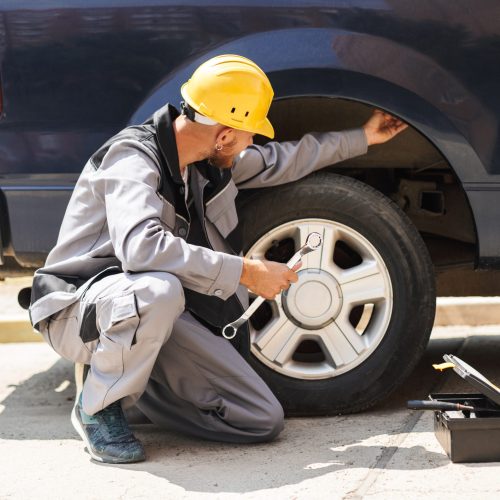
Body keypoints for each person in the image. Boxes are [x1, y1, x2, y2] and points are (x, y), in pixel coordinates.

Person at [29, 54, 407, 464]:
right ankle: (98, 408)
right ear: (224, 135)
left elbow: (282, 159)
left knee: (260, 419)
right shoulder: (132, 159)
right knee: (160, 288)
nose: (253, 143)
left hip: (151, 312)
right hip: (82, 310)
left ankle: (126, 382)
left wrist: (365, 137)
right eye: (249, 135)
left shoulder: (203, 163)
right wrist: (246, 272)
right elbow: (141, 248)